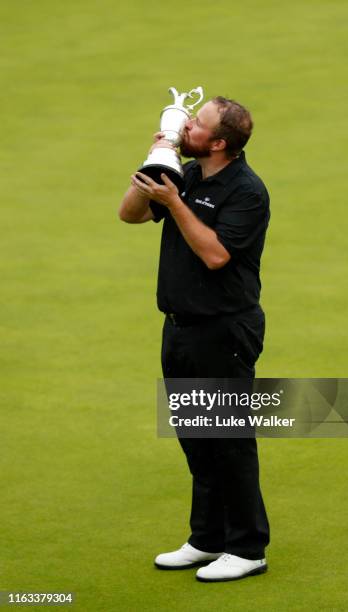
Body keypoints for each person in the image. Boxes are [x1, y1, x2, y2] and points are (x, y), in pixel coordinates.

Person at [119, 96, 270, 582]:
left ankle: (248, 548)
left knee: (228, 440)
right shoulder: (184, 171)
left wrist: (175, 201)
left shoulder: (247, 190)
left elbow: (216, 256)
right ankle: (207, 539)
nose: (186, 125)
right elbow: (130, 215)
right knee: (196, 439)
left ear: (219, 142)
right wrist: (152, 170)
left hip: (224, 329)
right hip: (180, 326)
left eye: (197, 123)